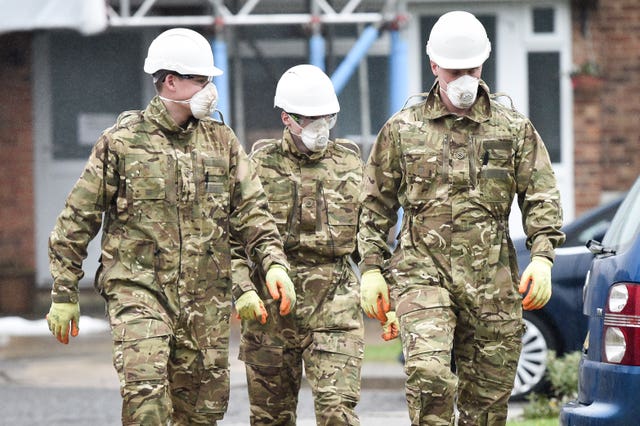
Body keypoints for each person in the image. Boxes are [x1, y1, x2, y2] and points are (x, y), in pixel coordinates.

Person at [45, 28, 296, 425]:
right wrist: (63, 291)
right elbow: (78, 218)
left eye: (209, 80)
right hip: (139, 291)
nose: (209, 89)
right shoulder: (122, 143)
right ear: (171, 81)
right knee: (146, 399)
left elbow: (253, 212)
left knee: (202, 414)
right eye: (200, 80)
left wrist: (274, 264)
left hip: (205, 302)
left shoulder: (222, 142)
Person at [357, 11, 566, 426]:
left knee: (487, 406)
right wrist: (371, 268)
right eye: (454, 70)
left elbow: (541, 195)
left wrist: (542, 257)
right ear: (434, 66)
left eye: (471, 68)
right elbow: (375, 203)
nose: (464, 78)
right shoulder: (402, 129)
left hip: (492, 281)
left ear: (483, 63)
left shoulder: (512, 129)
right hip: (422, 275)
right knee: (429, 375)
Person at [232, 64, 381, 426]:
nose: (320, 127)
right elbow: (234, 238)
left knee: (337, 414)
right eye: (310, 119)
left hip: (335, 307)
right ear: (288, 119)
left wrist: (384, 284)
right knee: (271, 419)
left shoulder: (350, 164)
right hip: (272, 311)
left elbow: (370, 234)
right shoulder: (257, 168)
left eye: (327, 118)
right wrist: (241, 289)